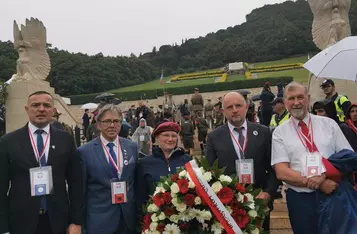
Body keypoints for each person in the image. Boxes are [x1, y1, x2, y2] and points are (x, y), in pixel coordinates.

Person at [271, 82, 353, 234]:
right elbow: (281, 171)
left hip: (333, 192)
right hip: (301, 200)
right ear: (285, 102)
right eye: (291, 98)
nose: (296, 102)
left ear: (308, 98)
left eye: (300, 97)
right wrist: (316, 183)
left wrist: (322, 176)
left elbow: (347, 157)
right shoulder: (279, 133)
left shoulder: (329, 124)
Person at [0, 91, 82, 234]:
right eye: (35, 105)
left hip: (58, 221)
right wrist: (3, 228)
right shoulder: (8, 142)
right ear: (27, 109)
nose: (41, 109)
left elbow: (76, 182)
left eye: (46, 105)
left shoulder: (65, 139)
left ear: (53, 110)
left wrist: (76, 221)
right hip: (20, 222)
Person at [206, 91, 280, 231]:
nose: (234, 110)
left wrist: (268, 193)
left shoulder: (264, 132)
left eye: (238, 105)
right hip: (229, 205)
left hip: (260, 200)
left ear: (246, 107)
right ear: (223, 111)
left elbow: (273, 167)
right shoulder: (214, 137)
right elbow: (209, 171)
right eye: (229, 107)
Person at [78, 105, 138, 234]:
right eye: (107, 121)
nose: (112, 125)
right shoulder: (84, 152)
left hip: (128, 219)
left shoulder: (132, 147)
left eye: (116, 121)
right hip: (100, 221)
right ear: (99, 125)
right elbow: (80, 191)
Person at [135, 121, 191, 222]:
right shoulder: (144, 163)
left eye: (174, 136)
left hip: (185, 220)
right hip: (157, 221)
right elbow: (141, 196)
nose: (170, 139)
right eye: (165, 135)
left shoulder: (187, 160)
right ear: (156, 138)